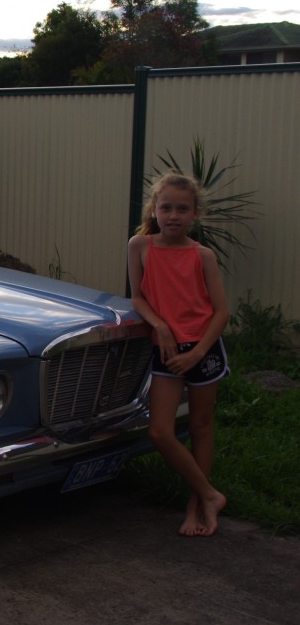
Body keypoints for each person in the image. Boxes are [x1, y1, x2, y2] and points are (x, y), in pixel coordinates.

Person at [127, 172, 230, 536]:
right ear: (154, 209)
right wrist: (161, 326)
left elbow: (221, 312)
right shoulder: (139, 246)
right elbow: (138, 296)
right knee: (160, 432)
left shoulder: (203, 255)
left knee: (200, 426)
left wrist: (197, 353)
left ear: (195, 215)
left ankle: (196, 506)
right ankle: (209, 494)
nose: (173, 215)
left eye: (182, 209)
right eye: (166, 207)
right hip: (166, 348)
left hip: (203, 348)